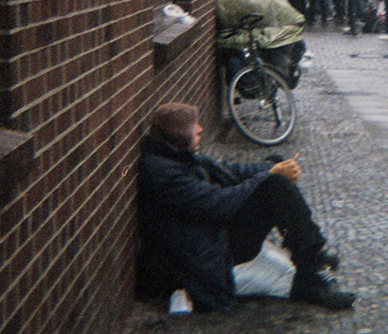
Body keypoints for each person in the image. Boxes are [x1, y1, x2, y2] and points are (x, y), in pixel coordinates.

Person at [136, 103, 356, 311]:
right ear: (178, 137)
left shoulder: (174, 157)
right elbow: (221, 204)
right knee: (273, 185)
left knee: (273, 171)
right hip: (204, 253)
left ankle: (312, 254)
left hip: (211, 233)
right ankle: (312, 273)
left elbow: (229, 171)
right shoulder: (164, 175)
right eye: (194, 127)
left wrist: (272, 166)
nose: (201, 129)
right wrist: (268, 176)